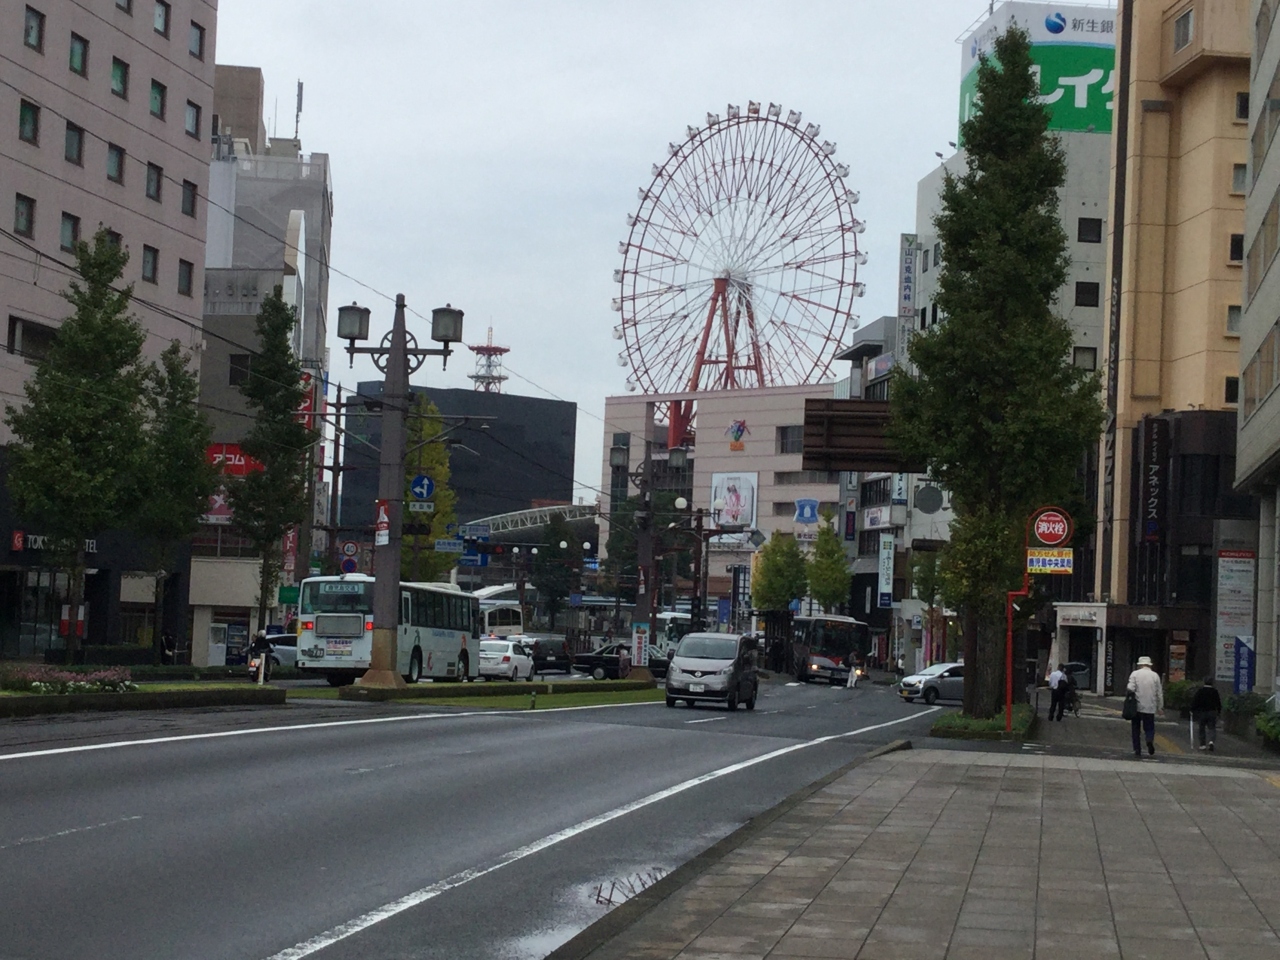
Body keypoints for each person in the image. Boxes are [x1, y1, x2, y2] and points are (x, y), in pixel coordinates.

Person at [1126, 656, 1164, 758]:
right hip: (1150, 706)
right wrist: (1160, 707)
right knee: (1149, 727)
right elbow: (1159, 693)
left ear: (1140, 664)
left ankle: (1137, 749)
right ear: (1149, 664)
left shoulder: (1135, 674)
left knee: (1135, 728)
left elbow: (1130, 688)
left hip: (1137, 706)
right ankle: (1149, 739)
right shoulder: (1155, 676)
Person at [1189, 676, 1222, 752]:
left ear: (1204, 682)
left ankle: (1202, 744)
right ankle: (1211, 741)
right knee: (1212, 728)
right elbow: (1218, 703)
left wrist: (1192, 710)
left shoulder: (1200, 691)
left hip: (1202, 712)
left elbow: (1195, 701)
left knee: (1201, 728)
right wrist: (1219, 712)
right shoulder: (1214, 691)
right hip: (1212, 712)